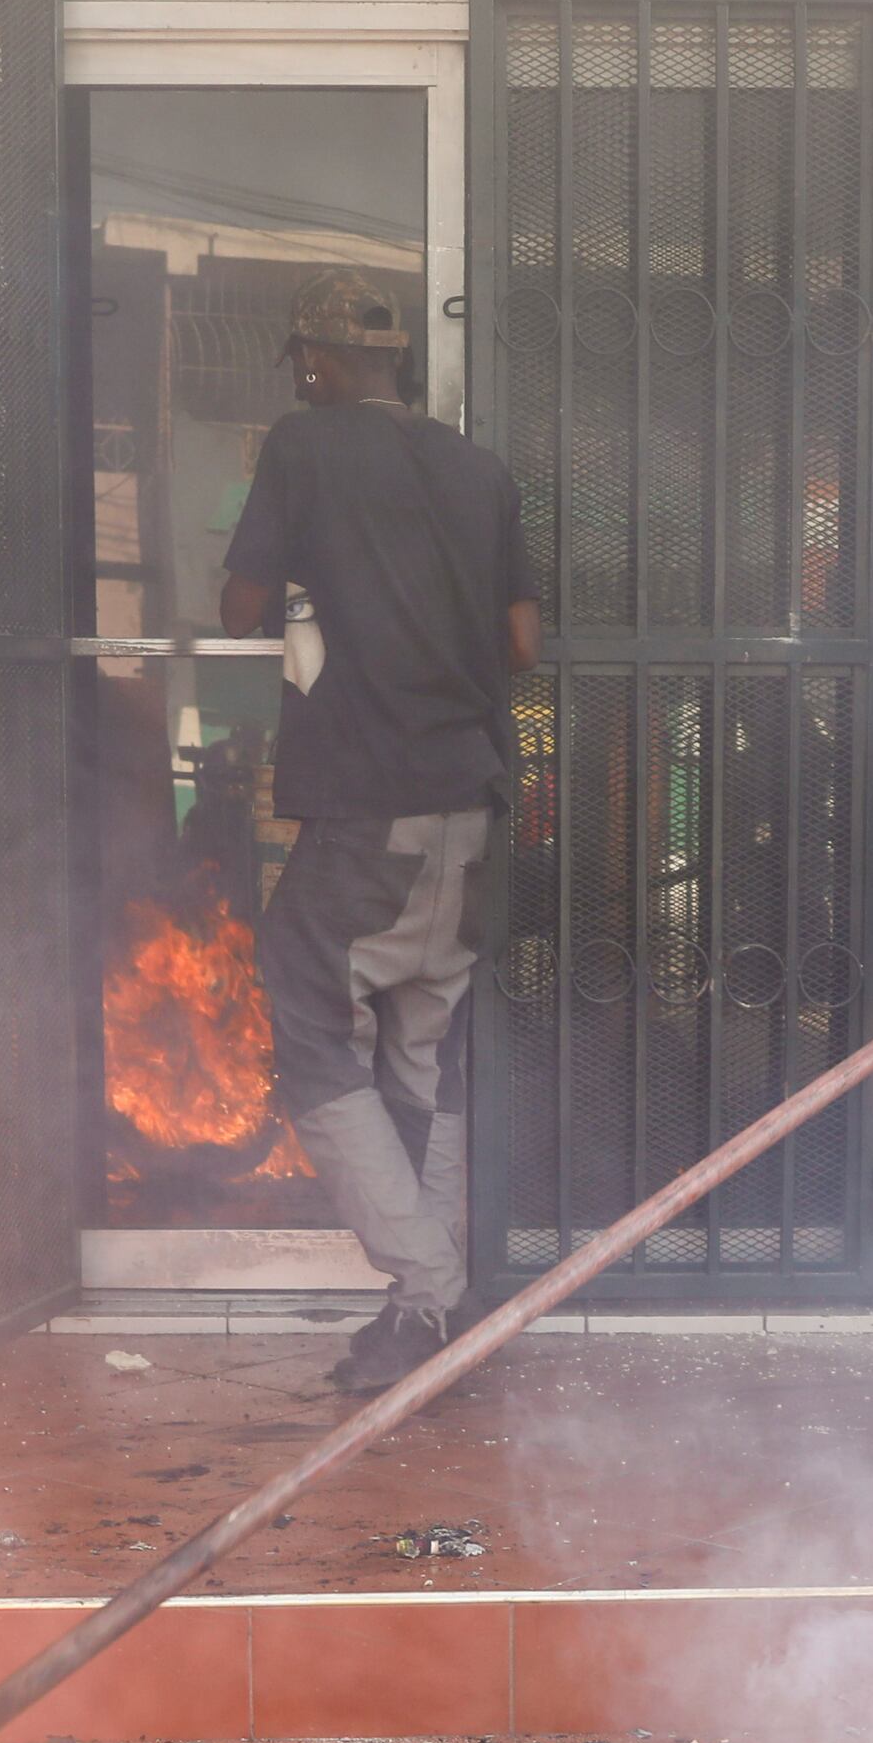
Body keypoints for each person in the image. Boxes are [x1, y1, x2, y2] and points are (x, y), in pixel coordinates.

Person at [217, 270, 543, 1393]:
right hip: (468, 803)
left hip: (366, 803)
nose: (301, 377)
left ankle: (431, 1290)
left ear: (318, 360)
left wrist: (326, 590)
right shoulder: (478, 470)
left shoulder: (301, 448)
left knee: (305, 1017)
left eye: (303, 361)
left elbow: (238, 607)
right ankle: (425, 1309)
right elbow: (519, 643)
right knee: (421, 1039)